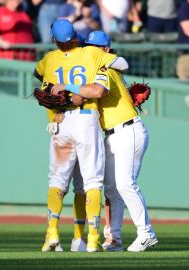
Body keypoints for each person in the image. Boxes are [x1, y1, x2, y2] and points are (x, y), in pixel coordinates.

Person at [53, 30, 158, 252]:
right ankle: (114, 239)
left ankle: (146, 232)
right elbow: (87, 94)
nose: (89, 51)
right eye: (87, 46)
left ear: (105, 50)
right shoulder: (97, 70)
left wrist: (66, 87)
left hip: (127, 130)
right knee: (111, 189)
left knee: (125, 184)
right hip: (113, 134)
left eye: (94, 47)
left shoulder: (104, 68)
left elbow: (97, 91)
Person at [34, 19, 129, 252]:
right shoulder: (91, 53)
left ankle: (52, 234)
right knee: (92, 182)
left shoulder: (49, 59)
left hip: (61, 120)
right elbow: (123, 64)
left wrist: (59, 91)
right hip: (87, 119)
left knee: (57, 180)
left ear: (54, 39)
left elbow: (38, 76)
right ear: (76, 35)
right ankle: (93, 238)